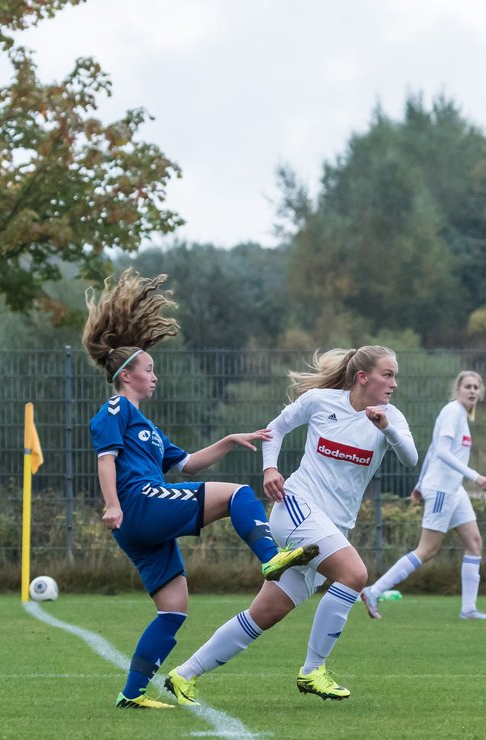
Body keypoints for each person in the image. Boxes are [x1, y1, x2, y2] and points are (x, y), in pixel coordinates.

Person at [83, 269, 317, 710]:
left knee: (173, 609)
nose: (155, 377)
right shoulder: (116, 406)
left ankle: (131, 695)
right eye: (149, 369)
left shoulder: (146, 426)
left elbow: (187, 463)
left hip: (139, 521)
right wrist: (113, 504)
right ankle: (271, 560)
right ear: (128, 373)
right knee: (237, 496)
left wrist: (229, 441)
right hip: (136, 505)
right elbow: (105, 457)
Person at [163, 346, 418, 704]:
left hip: (332, 527)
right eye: (387, 374)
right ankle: (313, 670)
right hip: (296, 506)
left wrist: (386, 428)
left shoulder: (390, 417)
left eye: (395, 375)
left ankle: (183, 674)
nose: (394, 383)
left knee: (265, 613)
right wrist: (270, 468)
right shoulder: (320, 401)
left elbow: (410, 458)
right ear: (363, 377)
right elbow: (275, 429)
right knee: (354, 574)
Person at [361, 370, 486, 621]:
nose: (472, 391)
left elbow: (434, 448)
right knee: (427, 550)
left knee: (475, 543)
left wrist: (420, 483)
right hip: (443, 489)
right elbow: (443, 452)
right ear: (457, 390)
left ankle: (468, 609)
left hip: (454, 489)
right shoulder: (452, 412)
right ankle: (374, 591)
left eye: (476, 388)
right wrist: (475, 476)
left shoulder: (462, 417)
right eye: (467, 386)